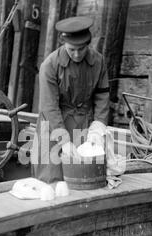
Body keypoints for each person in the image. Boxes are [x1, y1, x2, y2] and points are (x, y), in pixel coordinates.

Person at [31, 16, 110, 184]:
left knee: (82, 176)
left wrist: (98, 127)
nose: (76, 54)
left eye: (81, 49)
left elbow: (102, 95)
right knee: (51, 178)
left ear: (88, 44)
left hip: (84, 124)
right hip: (53, 126)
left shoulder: (99, 62)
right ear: (63, 43)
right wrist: (64, 141)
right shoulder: (50, 66)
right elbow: (48, 106)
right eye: (71, 49)